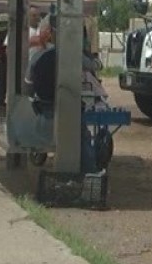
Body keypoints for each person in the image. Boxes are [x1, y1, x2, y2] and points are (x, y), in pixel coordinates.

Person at [26, 16, 98, 174]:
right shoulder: (74, 56)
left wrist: (34, 104)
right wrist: (85, 51)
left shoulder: (37, 57)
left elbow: (29, 85)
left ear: (50, 34)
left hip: (44, 108)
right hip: (70, 109)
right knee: (83, 138)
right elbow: (94, 65)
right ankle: (90, 172)